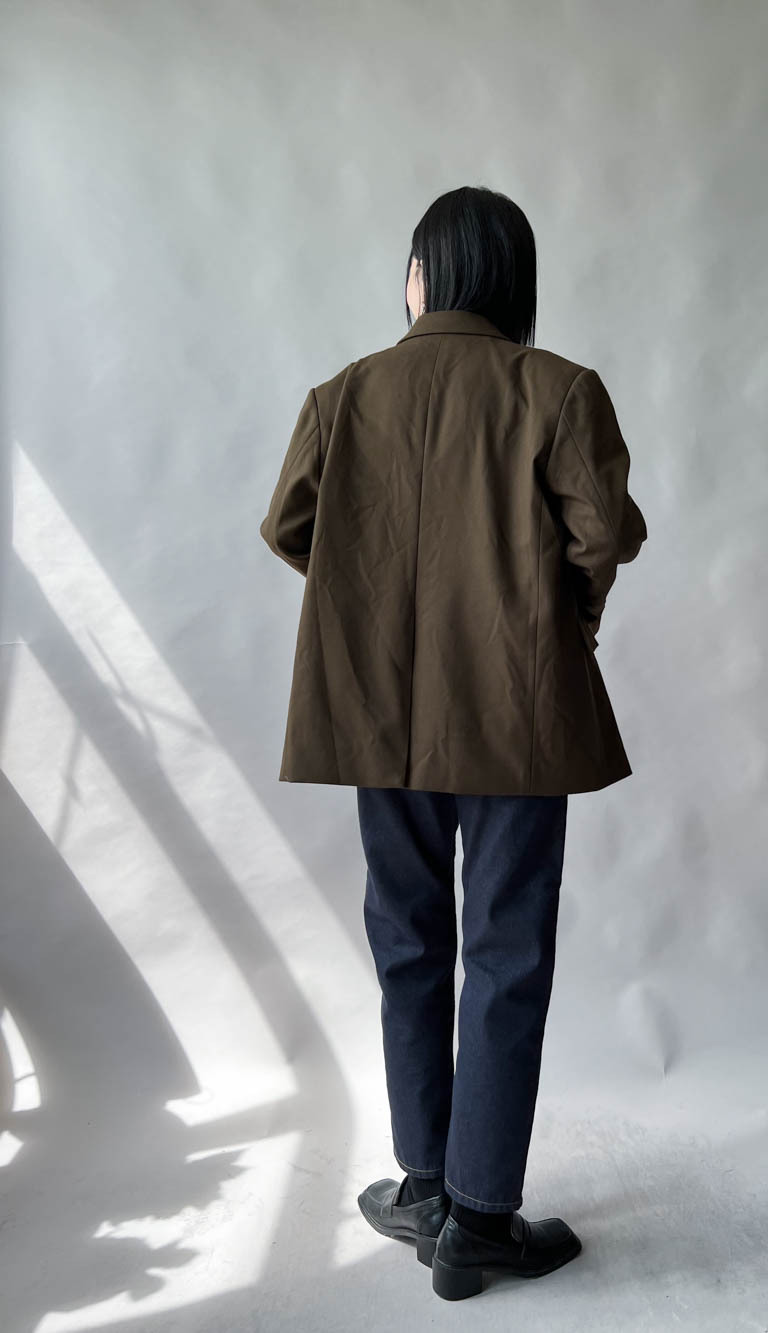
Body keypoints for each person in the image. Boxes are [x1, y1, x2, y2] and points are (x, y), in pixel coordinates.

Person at [259, 185, 647, 1300]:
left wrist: (373, 597)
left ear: (420, 277)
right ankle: (478, 1216)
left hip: (381, 711)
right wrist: (562, 615)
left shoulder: (344, 395)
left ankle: (424, 1187)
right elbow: (605, 534)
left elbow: (288, 525)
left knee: (408, 939)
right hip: (518, 711)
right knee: (507, 948)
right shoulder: (558, 388)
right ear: (513, 283)